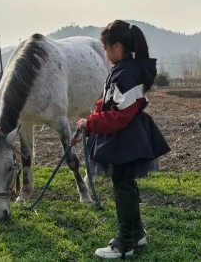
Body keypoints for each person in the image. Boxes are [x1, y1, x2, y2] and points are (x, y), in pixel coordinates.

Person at [72, 20, 170, 259]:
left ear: (117, 46)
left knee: (123, 185)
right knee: (125, 182)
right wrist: (88, 124)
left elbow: (120, 116)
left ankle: (124, 243)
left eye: (105, 49)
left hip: (127, 136)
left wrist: (92, 123)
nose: (104, 54)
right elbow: (104, 103)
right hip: (126, 135)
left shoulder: (126, 73)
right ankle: (136, 233)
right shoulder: (122, 69)